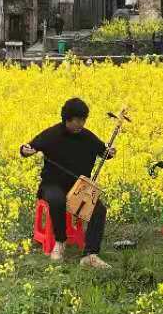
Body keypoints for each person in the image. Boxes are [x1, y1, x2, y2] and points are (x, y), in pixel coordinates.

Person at [21, 97, 116, 269]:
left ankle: (90, 254)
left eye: (84, 120)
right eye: (78, 120)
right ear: (67, 119)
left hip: (78, 187)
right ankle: (60, 243)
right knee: (57, 200)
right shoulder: (52, 134)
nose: (82, 124)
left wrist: (110, 151)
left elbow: (105, 152)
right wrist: (26, 150)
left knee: (99, 209)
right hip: (52, 184)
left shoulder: (87, 136)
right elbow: (28, 147)